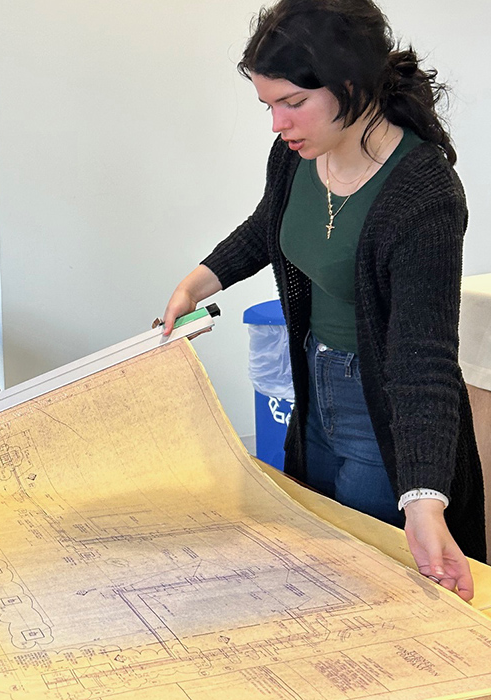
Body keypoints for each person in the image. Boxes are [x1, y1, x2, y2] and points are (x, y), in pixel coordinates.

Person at [157, 0, 484, 601]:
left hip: (381, 410)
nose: (278, 124)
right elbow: (269, 226)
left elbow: (422, 359)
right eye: (268, 106)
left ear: (350, 86)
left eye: (293, 103)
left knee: (370, 581)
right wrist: (197, 283)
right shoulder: (296, 155)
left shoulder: (424, 195)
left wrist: (423, 498)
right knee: (318, 554)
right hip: (313, 384)